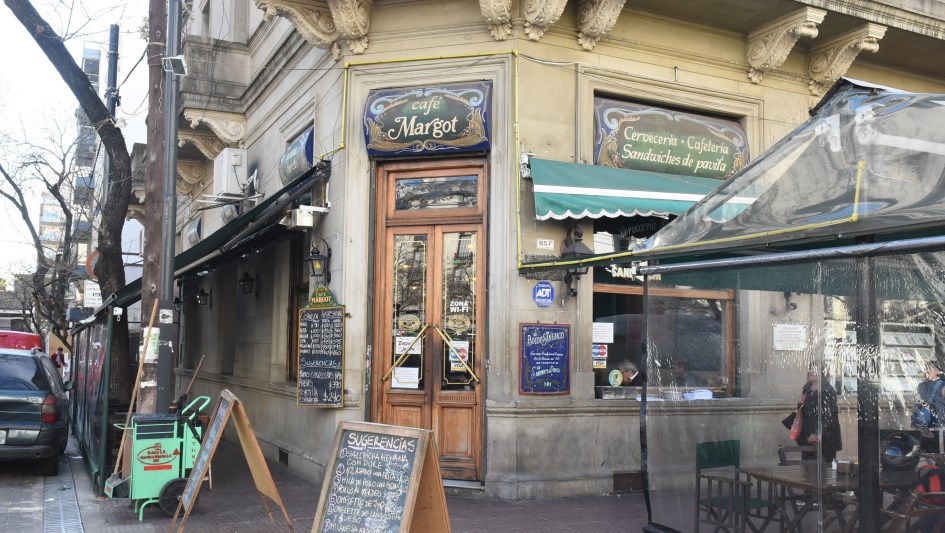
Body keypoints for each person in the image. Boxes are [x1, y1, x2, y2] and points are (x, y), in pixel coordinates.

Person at [796, 369, 842, 462]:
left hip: (826, 436)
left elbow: (828, 415)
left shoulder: (828, 390)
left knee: (826, 468)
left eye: (815, 370)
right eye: (810, 369)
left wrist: (817, 433)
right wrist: (800, 404)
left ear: (822, 373)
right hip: (808, 434)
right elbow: (804, 411)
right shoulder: (807, 388)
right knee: (807, 466)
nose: (811, 372)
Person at [917, 361, 945, 428]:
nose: (927, 371)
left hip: (930, 418)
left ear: (937, 371)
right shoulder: (922, 386)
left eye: (930, 369)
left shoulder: (922, 386)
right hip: (938, 417)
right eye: (926, 369)